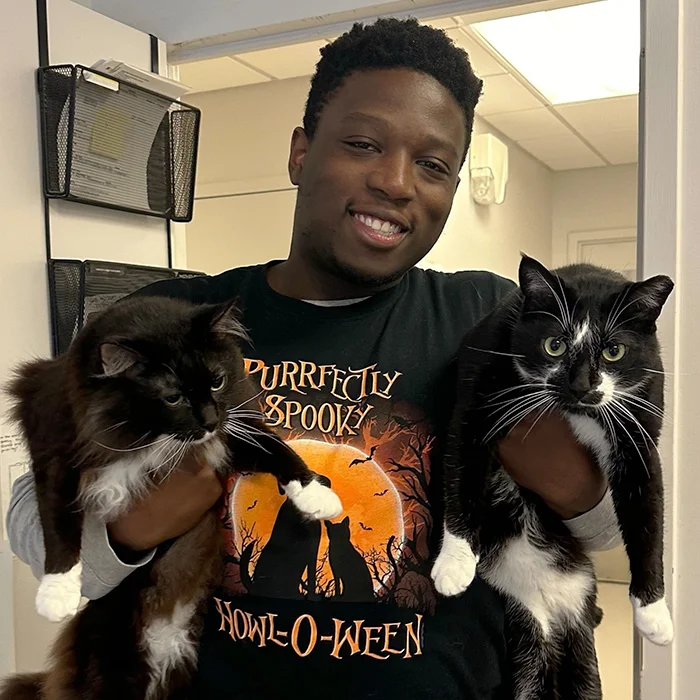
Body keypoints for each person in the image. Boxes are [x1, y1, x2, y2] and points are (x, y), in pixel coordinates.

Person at [8, 18, 620, 699]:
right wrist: (127, 533)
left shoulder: (491, 318)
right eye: (362, 144)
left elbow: (610, 529)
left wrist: (580, 488)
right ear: (301, 153)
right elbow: (28, 521)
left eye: (433, 164)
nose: (395, 182)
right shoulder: (175, 321)